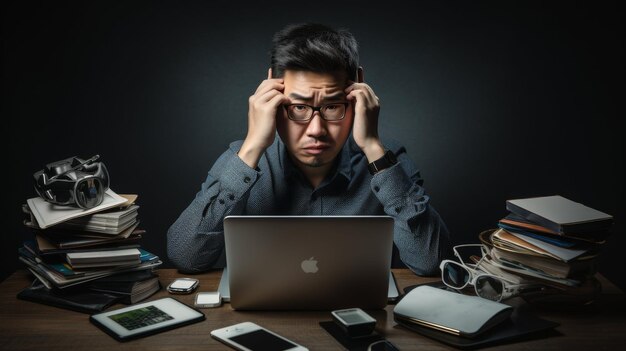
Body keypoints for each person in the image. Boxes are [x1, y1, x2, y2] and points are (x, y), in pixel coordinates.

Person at [167, 23, 450, 276]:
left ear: (358, 95)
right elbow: (185, 256)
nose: (316, 130)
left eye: (332, 107)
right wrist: (253, 145)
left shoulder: (387, 160)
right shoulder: (242, 158)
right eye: (299, 107)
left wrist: (373, 147)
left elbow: (430, 262)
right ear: (271, 93)